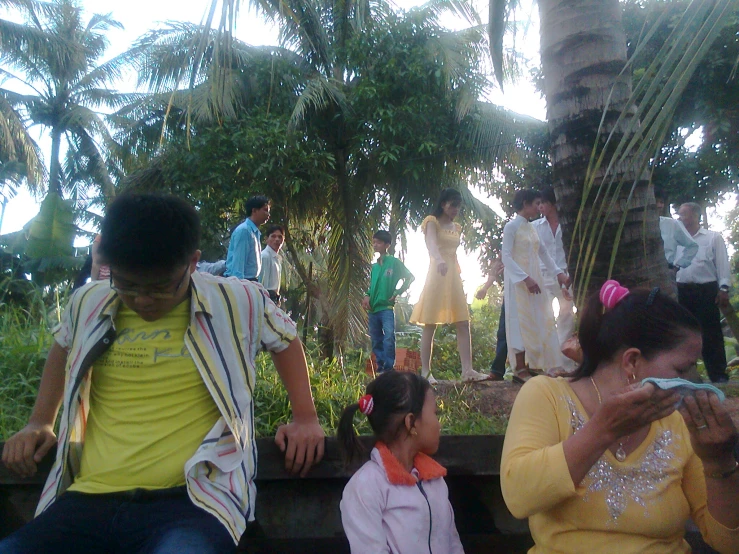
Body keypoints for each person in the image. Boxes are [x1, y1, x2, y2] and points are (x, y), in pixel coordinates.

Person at [0, 193, 325, 553]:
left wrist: (306, 417)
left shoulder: (236, 300)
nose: (142, 300)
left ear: (192, 263)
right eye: (127, 286)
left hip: (193, 502)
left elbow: (286, 339)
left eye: (157, 288)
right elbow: (62, 346)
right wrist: (39, 420)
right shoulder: (88, 302)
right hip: (87, 499)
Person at [500, 281, 739, 553]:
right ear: (632, 362)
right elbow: (518, 497)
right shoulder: (546, 395)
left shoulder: (676, 420)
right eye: (682, 369)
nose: (692, 383)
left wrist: (720, 462)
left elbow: (728, 541)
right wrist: (603, 430)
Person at [338, 371, 464, 554]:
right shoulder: (365, 487)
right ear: (411, 422)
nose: (439, 424)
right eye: (434, 413)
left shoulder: (435, 481)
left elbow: (453, 545)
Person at [409, 188, 489, 384]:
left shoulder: (456, 227)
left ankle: (467, 370)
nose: (455, 209)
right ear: (443, 204)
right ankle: (426, 372)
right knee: (430, 323)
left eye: (458, 206)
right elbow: (431, 244)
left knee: (463, 321)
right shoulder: (431, 222)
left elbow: (453, 254)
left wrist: (456, 271)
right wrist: (438, 259)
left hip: (453, 276)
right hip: (437, 274)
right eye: (452, 204)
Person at [502, 189, 569, 384]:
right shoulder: (511, 227)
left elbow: (544, 254)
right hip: (519, 283)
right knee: (518, 321)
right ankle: (520, 368)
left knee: (538, 318)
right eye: (536, 203)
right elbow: (506, 256)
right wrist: (525, 279)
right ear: (525, 203)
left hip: (535, 279)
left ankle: (535, 365)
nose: (539, 207)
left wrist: (560, 274)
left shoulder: (531, 228)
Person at [677, 202, 732, 383]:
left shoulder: (712, 238)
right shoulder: (677, 241)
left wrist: (723, 288)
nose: (679, 218)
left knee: (711, 334)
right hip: (683, 291)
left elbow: (722, 265)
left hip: (706, 290)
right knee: (684, 334)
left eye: (683, 214)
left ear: (695, 216)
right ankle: (688, 376)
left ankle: (718, 376)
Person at [532, 188, 576, 370]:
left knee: (567, 318)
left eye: (544, 203)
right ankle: (548, 364)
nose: (541, 207)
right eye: (539, 203)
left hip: (566, 276)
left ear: (553, 203)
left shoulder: (568, 224)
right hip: (543, 275)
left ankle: (565, 364)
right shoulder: (535, 226)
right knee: (545, 317)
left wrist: (571, 275)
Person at [362, 230, 415, 374]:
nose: (375, 245)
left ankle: (389, 366)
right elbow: (371, 286)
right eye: (374, 242)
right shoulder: (374, 266)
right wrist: (366, 295)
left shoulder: (394, 262)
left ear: (387, 244)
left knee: (389, 336)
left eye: (378, 242)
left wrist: (397, 292)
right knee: (376, 339)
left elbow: (410, 277)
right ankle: (380, 367)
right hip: (373, 309)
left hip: (386, 307)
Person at [475, 256, 506, 380]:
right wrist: (485, 288)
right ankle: (497, 371)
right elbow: (495, 268)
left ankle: (531, 367)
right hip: (512, 291)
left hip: (533, 290)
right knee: (504, 331)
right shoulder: (509, 241)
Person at [225, 195, 271, 280]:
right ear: (254, 210)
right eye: (265, 210)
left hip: (250, 282)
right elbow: (238, 267)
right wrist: (240, 289)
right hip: (242, 283)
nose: (268, 214)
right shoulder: (244, 231)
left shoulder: (254, 232)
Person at [655, 191, 698, 274]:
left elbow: (693, 246)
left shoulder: (672, 224)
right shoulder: (635, 226)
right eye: (656, 201)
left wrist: (677, 266)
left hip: (666, 273)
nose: (659, 205)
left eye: (661, 202)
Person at [259, 224, 286, 305]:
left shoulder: (277, 258)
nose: (277, 239)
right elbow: (262, 285)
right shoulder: (265, 256)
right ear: (267, 239)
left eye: (280, 237)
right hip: (266, 301)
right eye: (273, 236)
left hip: (274, 301)